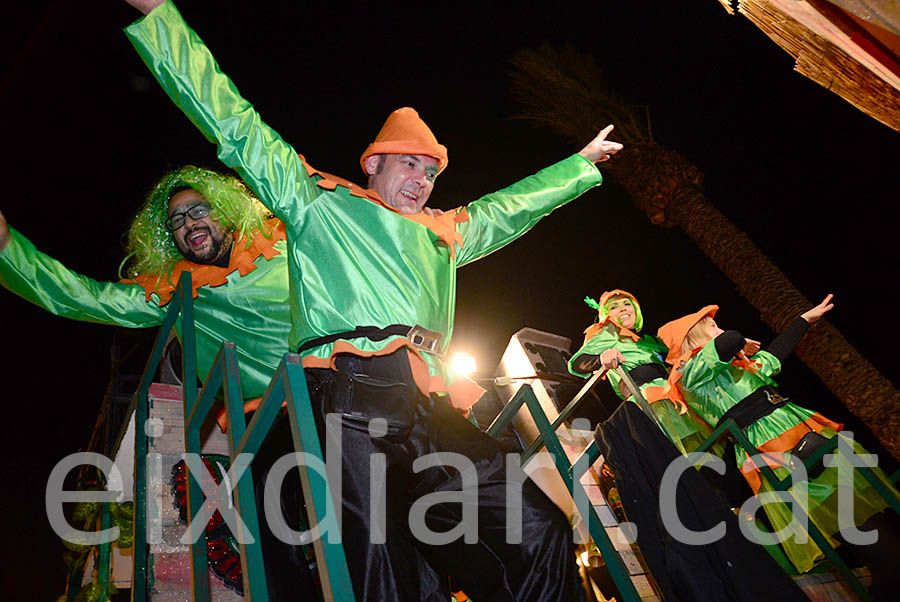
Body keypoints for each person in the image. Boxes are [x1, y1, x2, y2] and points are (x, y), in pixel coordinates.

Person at [122, 1, 623, 599]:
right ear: (373, 163)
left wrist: (577, 166)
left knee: (535, 525)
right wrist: (160, 18)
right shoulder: (319, 203)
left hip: (429, 406)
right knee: (379, 565)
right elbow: (235, 124)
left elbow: (507, 208)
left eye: (431, 173)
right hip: (351, 397)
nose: (422, 180)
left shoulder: (443, 231)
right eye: (410, 165)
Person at [0, 165, 307, 596]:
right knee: (270, 535)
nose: (189, 224)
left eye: (198, 209)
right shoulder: (173, 289)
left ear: (226, 210)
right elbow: (86, 297)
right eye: (177, 221)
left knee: (370, 514)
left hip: (329, 391)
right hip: (263, 423)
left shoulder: (283, 244)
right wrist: (7, 249)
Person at [657, 296, 900, 596]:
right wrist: (738, 342)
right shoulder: (690, 372)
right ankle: (888, 573)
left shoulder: (734, 364)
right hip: (768, 441)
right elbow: (731, 339)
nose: (719, 327)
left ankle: (887, 570)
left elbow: (774, 355)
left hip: (793, 424)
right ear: (692, 336)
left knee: (846, 498)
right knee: (827, 502)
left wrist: (804, 320)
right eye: (712, 324)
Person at [568, 289, 713, 454]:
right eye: (614, 307)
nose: (623, 308)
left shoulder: (646, 342)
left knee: (705, 447)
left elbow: (683, 339)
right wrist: (602, 358)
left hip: (673, 393)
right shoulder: (608, 331)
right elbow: (578, 363)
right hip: (649, 399)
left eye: (627, 304)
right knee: (686, 452)